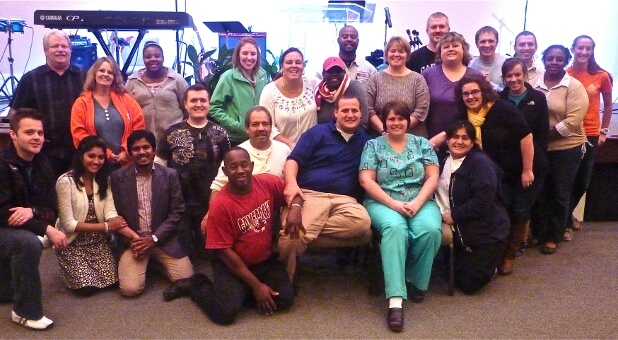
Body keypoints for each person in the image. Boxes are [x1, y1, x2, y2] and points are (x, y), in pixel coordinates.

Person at [162, 148, 300, 325]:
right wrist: (257, 287)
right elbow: (225, 254)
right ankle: (196, 284)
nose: (240, 170)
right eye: (233, 167)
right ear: (225, 171)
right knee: (225, 314)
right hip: (231, 265)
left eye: (244, 165)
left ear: (251, 166)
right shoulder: (220, 205)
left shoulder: (266, 182)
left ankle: (242, 293)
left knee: (286, 299)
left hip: (264, 261)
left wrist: (295, 209)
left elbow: (294, 193)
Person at [358, 101, 442, 332]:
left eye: (400, 118)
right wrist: (394, 204)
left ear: (408, 121)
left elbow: (432, 177)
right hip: (382, 201)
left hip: (420, 199)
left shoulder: (422, 144)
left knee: (431, 231)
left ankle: (414, 280)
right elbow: (366, 180)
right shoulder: (373, 146)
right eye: (391, 119)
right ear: (384, 121)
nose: (396, 123)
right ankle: (395, 301)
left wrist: (417, 202)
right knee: (395, 230)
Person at [277, 93, 372, 282]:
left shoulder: (366, 142)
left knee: (363, 223)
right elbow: (292, 161)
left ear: (361, 114)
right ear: (335, 113)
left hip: (345, 200)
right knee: (290, 238)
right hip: (312, 195)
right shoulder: (316, 133)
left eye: (354, 110)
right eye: (345, 110)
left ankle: (309, 229)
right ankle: (285, 283)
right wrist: (292, 184)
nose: (350, 114)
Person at [455, 74, 537, 275]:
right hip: (495, 173)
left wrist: (527, 170)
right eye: (465, 93)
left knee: (518, 211)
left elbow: (526, 137)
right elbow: (452, 132)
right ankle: (497, 254)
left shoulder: (502, 108)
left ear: (483, 91)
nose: (471, 96)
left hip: (520, 168)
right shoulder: (465, 114)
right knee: (500, 211)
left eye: (475, 91)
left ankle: (509, 256)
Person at [0, 108, 67, 330]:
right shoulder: (1, 164)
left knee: (26, 238)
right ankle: (25, 312)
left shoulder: (42, 163)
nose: (36, 137)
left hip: (16, 226)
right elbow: (4, 213)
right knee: (27, 242)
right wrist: (47, 229)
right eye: (29, 132)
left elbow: (51, 208)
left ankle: (8, 289)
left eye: (39, 132)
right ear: (13, 135)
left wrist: (33, 212)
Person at [110, 130, 194, 296]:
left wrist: (154, 238)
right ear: (130, 152)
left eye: (146, 147)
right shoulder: (117, 178)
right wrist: (132, 240)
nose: (142, 152)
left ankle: (154, 261)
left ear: (154, 150)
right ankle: (150, 261)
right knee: (129, 290)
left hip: (162, 239)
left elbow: (177, 211)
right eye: (136, 148)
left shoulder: (170, 175)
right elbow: (114, 214)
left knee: (187, 278)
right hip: (135, 242)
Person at [434, 120, 509, 294]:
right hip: (460, 228)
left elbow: (484, 200)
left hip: (485, 230)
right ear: (447, 140)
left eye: (465, 138)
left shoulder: (480, 163)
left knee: (470, 285)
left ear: (473, 142)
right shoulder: (444, 160)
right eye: (455, 137)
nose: (459, 142)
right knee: (449, 274)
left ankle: (493, 264)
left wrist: (455, 215)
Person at [156, 84, 230, 258]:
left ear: (209, 104)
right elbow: (159, 166)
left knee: (210, 254)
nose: (198, 104)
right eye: (193, 100)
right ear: (185, 104)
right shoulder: (171, 133)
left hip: (211, 202)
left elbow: (227, 168)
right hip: (179, 203)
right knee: (185, 254)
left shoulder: (220, 133)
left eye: (203, 100)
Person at [55, 136, 133, 295]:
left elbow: (110, 213)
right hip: (73, 241)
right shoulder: (65, 182)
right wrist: (106, 226)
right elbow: (69, 224)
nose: (96, 161)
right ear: (81, 156)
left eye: (101, 157)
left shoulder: (104, 180)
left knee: (112, 282)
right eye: (91, 156)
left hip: (98, 241)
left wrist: (136, 238)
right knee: (86, 289)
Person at [532, 45, 588, 255]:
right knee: (540, 191)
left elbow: (572, 121)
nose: (554, 62)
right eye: (550, 58)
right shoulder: (534, 82)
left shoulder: (574, 86)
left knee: (559, 192)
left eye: (559, 59)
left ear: (566, 61)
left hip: (565, 148)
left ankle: (553, 236)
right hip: (539, 148)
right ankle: (538, 231)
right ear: (544, 60)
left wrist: (543, 137)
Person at [9, 30, 87, 177]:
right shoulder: (30, 79)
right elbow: (16, 115)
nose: (60, 50)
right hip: (43, 152)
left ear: (70, 50)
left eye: (64, 46)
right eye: (55, 46)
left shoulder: (85, 77)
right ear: (45, 51)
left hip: (79, 150)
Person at [499, 58, 550, 250]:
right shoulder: (498, 100)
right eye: (509, 76)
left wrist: (531, 164)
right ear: (503, 78)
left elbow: (542, 135)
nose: (513, 79)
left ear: (525, 75)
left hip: (532, 164)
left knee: (521, 207)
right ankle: (506, 244)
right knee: (507, 205)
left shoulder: (537, 98)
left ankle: (513, 249)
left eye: (517, 74)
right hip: (506, 165)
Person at [566, 35, 613, 234]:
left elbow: (608, 105)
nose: (583, 52)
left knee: (583, 180)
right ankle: (564, 220)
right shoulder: (565, 73)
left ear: (592, 50)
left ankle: (566, 215)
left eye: (588, 48)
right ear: (573, 49)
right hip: (569, 133)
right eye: (580, 48)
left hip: (591, 133)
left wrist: (603, 130)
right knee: (567, 178)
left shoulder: (601, 75)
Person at [71, 56, 145, 168]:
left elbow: (138, 127)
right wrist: (106, 154)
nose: (105, 74)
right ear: (94, 74)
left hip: (126, 164)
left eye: (110, 72)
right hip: (95, 165)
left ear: (114, 77)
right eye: (101, 70)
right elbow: (79, 135)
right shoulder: (81, 103)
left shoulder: (126, 99)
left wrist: (127, 151)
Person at [209, 106, 291, 203]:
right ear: (247, 128)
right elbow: (217, 188)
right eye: (255, 124)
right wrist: (211, 214)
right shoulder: (236, 154)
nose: (261, 128)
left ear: (271, 127)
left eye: (265, 124)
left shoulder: (285, 150)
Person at [423, 32, 482, 151]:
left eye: (455, 45)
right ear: (440, 52)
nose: (451, 49)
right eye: (446, 47)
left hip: (464, 141)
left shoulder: (475, 76)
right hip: (431, 141)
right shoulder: (428, 74)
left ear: (463, 49)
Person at [125, 41, 189, 143]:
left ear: (163, 57)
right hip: (143, 142)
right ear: (144, 59)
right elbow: (125, 112)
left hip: (173, 140)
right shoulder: (132, 82)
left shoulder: (176, 80)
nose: (153, 59)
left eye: (157, 56)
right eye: (148, 56)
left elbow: (187, 109)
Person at [209, 37, 268, 146]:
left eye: (253, 54)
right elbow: (214, 108)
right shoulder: (228, 77)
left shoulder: (263, 76)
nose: (249, 58)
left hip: (259, 136)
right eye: (245, 53)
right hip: (236, 139)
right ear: (238, 55)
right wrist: (237, 126)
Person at [366, 36, 430, 137]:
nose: (396, 54)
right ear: (386, 54)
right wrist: (385, 130)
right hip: (381, 137)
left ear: (407, 55)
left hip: (412, 138)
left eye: (401, 51)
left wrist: (399, 129)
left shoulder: (418, 79)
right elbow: (368, 109)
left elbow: (421, 110)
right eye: (392, 51)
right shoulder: (375, 79)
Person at [259, 48, 318, 149]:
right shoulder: (269, 91)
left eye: (298, 62)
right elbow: (268, 127)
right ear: (282, 66)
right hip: (282, 151)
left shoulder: (312, 83)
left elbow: (331, 88)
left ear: (303, 66)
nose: (294, 65)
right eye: (289, 62)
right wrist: (292, 146)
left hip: (313, 150)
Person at [316, 56, 368, 130]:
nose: (334, 74)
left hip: (352, 137)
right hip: (323, 136)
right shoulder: (318, 91)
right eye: (330, 71)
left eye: (338, 71)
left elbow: (363, 121)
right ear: (323, 74)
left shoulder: (355, 87)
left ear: (344, 73)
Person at [469, 26, 508, 91]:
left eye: (491, 41)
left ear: (497, 43)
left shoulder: (507, 62)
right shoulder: (471, 65)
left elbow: (513, 92)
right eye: (483, 41)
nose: (487, 45)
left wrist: (490, 85)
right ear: (476, 44)